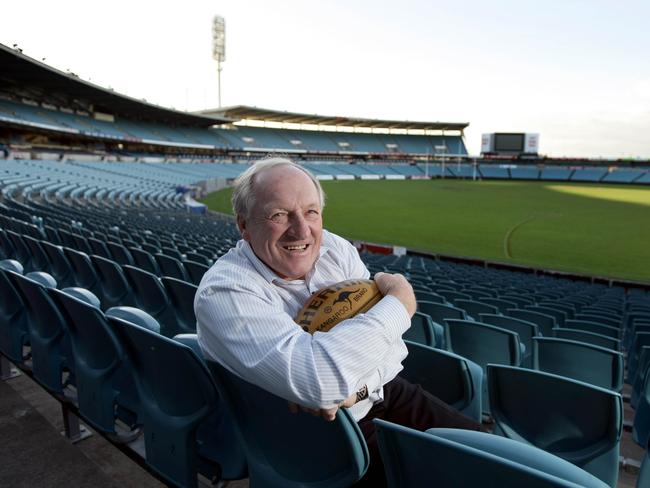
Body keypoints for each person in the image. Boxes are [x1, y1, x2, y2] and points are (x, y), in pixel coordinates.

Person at [195, 157, 481, 486]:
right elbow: (321, 384)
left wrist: (354, 389)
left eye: (311, 212)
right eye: (279, 214)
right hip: (319, 436)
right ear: (243, 225)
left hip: (384, 393)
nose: (301, 230)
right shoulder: (224, 292)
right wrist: (400, 303)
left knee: (494, 460)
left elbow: (393, 352)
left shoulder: (333, 249)